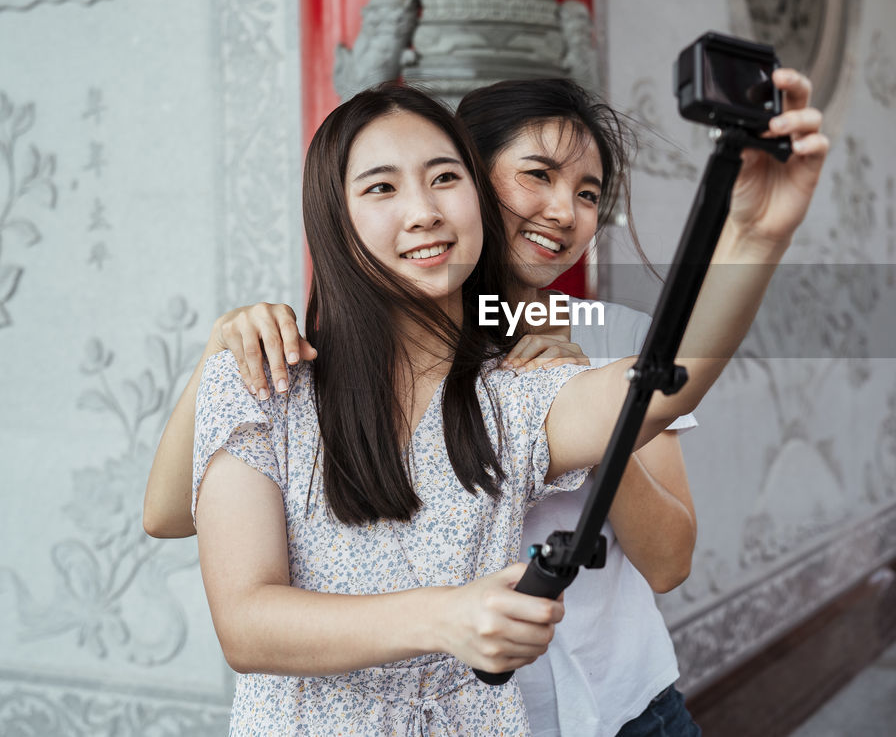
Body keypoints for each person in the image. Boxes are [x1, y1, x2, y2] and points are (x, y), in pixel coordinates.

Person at [154, 76, 828, 733]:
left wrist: (754, 239)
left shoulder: (529, 384)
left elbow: (669, 389)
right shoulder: (274, 376)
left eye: (443, 178)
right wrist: (220, 353)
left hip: (615, 705)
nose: (564, 211)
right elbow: (232, 603)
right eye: (382, 186)